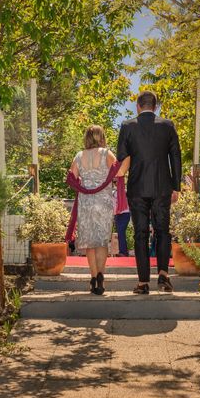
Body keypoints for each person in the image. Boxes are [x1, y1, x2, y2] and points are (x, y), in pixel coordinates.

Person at [117, 91, 182, 294]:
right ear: (155, 107)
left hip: (137, 188)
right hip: (163, 187)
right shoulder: (167, 126)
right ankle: (163, 275)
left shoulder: (128, 126)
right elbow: (176, 158)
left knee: (140, 234)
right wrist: (176, 187)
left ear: (138, 106)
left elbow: (121, 158)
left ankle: (143, 282)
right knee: (163, 231)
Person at [67, 125, 125, 295]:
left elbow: (73, 177)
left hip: (86, 201)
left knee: (90, 242)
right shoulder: (107, 154)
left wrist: (86, 183)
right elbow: (119, 172)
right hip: (103, 200)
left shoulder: (78, 156)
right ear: (102, 137)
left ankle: (93, 277)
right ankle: (101, 276)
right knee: (101, 240)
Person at [113, 180, 130, 256]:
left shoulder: (125, 192)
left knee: (121, 232)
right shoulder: (113, 193)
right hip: (117, 215)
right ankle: (123, 251)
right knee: (120, 233)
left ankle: (123, 252)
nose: (116, 183)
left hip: (125, 214)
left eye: (117, 181)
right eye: (114, 182)